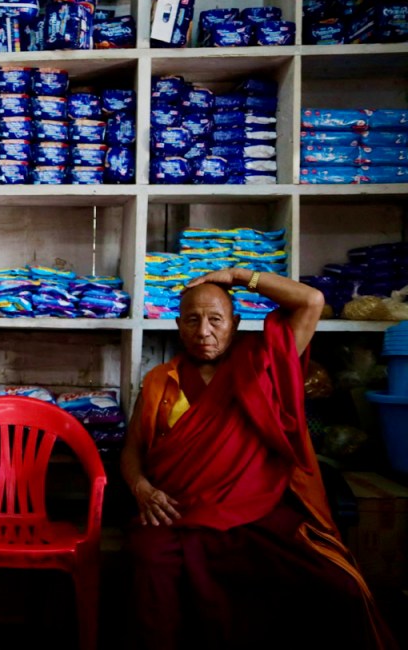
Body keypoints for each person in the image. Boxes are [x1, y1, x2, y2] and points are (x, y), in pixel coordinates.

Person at [121, 268, 396, 650]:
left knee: (338, 584)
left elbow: (311, 301)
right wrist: (141, 488)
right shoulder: (160, 380)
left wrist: (237, 275)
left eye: (216, 319)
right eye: (192, 320)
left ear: (235, 324)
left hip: (253, 511)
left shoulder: (260, 365)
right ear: (178, 326)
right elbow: (133, 449)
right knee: (150, 566)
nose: (204, 331)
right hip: (177, 512)